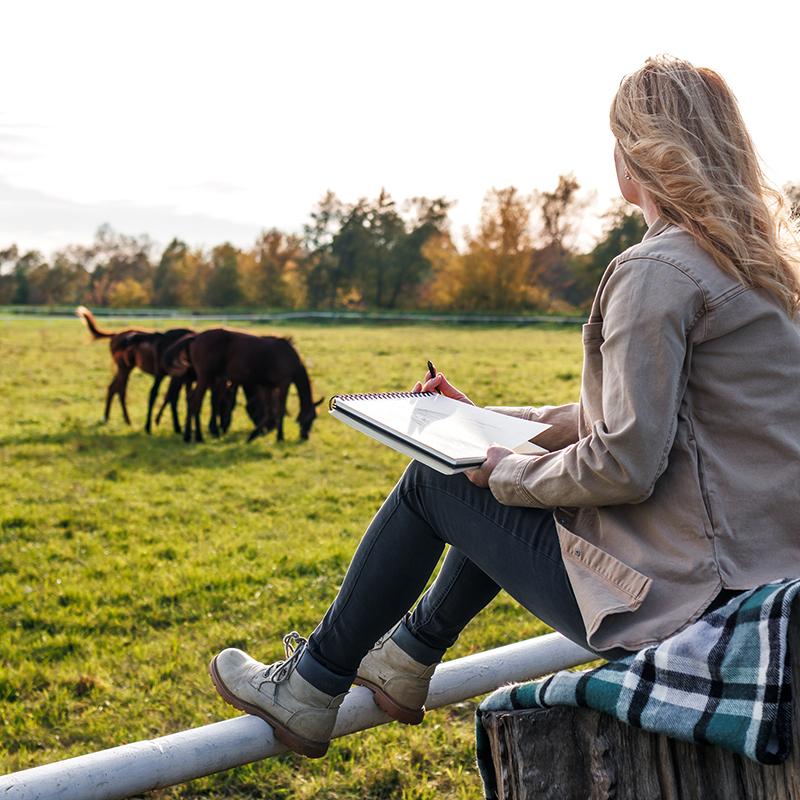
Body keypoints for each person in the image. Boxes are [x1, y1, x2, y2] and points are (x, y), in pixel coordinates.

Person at [209, 55, 800, 759]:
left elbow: (625, 461)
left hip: (685, 602)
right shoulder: (766, 272)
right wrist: (490, 421)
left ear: (636, 156)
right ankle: (407, 655)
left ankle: (310, 686)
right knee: (486, 470)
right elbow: (633, 417)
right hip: (761, 583)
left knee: (439, 476)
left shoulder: (656, 270)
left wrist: (501, 469)